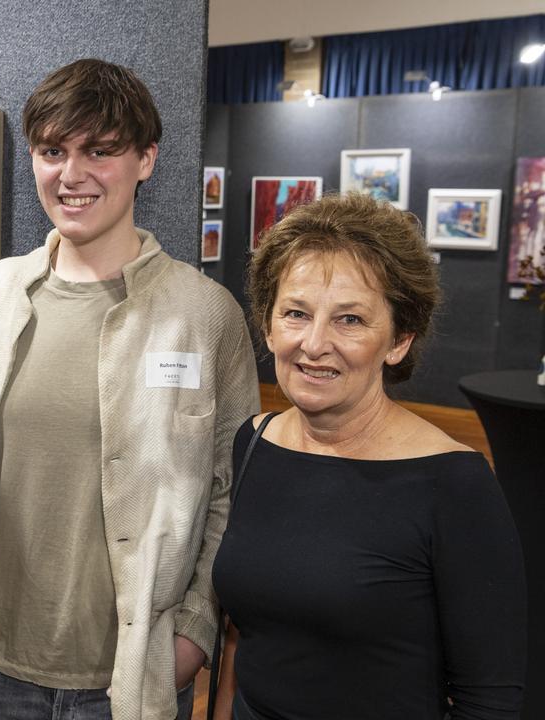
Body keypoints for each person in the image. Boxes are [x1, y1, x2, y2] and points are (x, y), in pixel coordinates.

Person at [0, 58, 260, 720]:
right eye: (53, 151)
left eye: (99, 151)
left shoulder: (207, 314)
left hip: (134, 682)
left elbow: (233, 494)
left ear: (146, 159)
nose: (71, 174)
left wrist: (194, 630)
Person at [212, 193, 527, 720]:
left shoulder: (454, 484)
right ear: (268, 325)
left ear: (400, 338)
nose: (314, 344)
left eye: (350, 320)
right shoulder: (255, 441)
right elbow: (243, 637)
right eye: (296, 313)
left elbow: (488, 699)